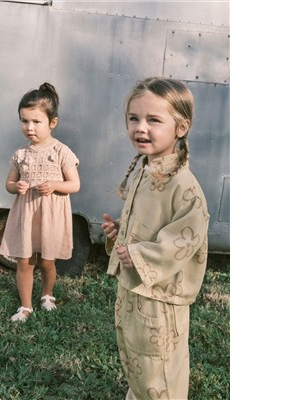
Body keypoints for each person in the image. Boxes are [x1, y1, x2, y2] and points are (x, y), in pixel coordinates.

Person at [102, 77, 210, 399]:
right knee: (137, 361)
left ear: (180, 127)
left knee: (160, 370)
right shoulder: (146, 169)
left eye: (153, 120)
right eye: (134, 118)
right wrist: (120, 231)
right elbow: (150, 222)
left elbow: (184, 240)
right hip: (134, 291)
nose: (140, 127)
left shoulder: (184, 187)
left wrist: (138, 254)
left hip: (160, 300)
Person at [0, 82, 80, 322]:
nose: (29, 127)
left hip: (51, 214)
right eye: (24, 121)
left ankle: (47, 294)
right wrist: (17, 186)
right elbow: (9, 184)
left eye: (36, 122)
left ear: (52, 122)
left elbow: (74, 184)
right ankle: (25, 306)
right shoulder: (20, 154)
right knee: (24, 260)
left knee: (47, 260)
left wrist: (55, 185)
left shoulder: (61, 152)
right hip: (27, 213)